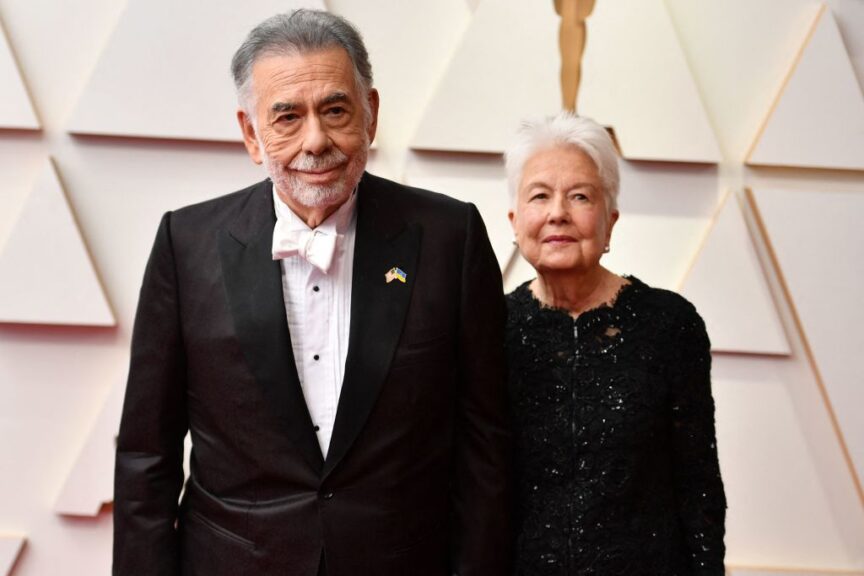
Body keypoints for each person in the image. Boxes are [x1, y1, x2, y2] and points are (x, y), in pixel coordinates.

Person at [113, 10, 510, 576]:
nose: (316, 140)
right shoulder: (186, 242)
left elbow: (485, 448)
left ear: (371, 114)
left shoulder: (452, 236)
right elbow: (145, 456)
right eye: (287, 117)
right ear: (252, 133)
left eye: (336, 110)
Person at [504, 112, 726, 575]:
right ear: (515, 219)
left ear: (610, 221)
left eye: (580, 196)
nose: (557, 212)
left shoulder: (669, 325)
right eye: (539, 195)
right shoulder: (489, 326)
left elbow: (699, 485)